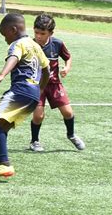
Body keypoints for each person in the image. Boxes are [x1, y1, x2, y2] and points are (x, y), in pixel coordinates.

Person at [0, 13, 50, 179]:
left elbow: (13, 58)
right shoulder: (35, 45)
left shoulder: (18, 43)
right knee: (2, 127)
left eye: (5, 35)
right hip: (33, 94)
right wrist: (40, 89)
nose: (5, 39)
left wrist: (2, 75)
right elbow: (47, 70)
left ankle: (5, 164)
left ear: (13, 30)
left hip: (21, 90)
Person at [29, 14, 85, 152]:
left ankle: (71, 135)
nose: (39, 36)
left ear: (51, 33)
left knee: (67, 112)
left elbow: (68, 57)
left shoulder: (57, 44)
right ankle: (34, 141)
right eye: (36, 32)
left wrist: (67, 68)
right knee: (38, 115)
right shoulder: (29, 45)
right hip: (36, 85)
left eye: (43, 33)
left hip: (54, 84)